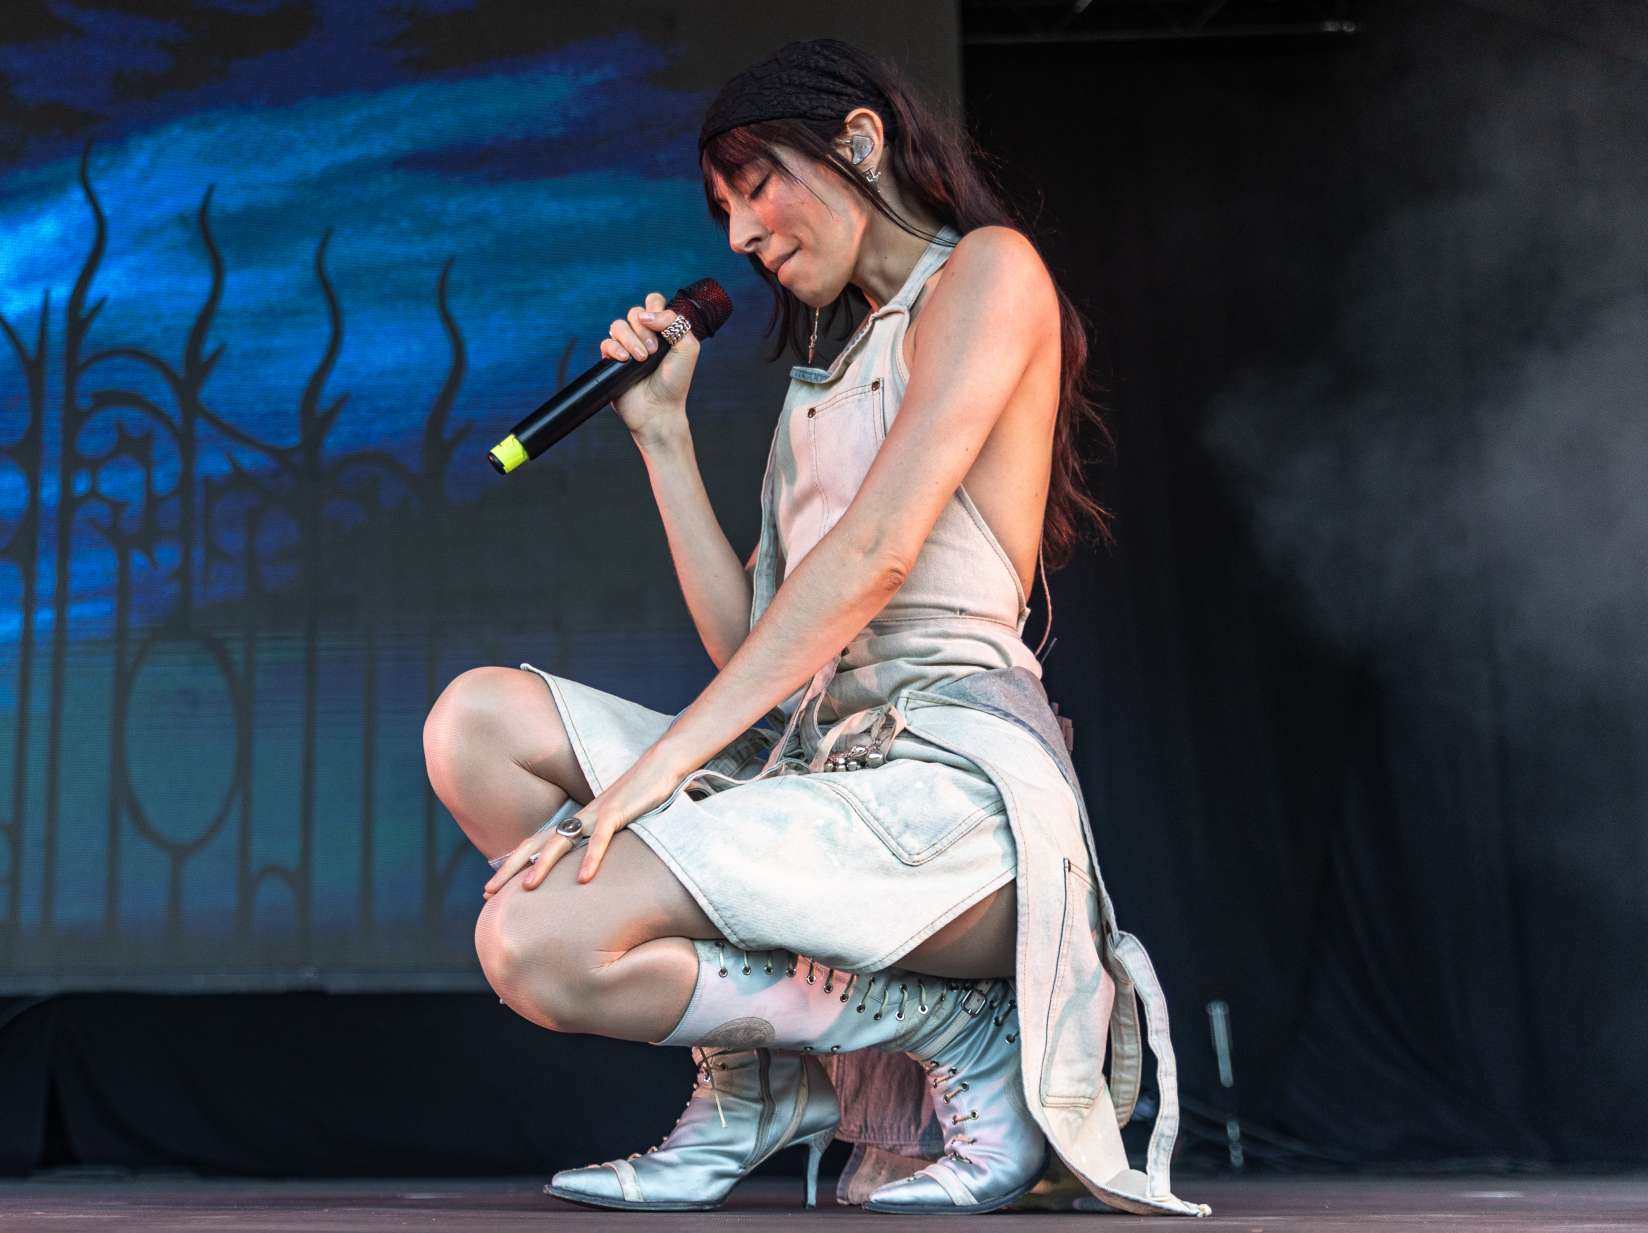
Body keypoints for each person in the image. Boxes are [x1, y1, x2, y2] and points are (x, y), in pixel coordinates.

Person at [420, 38, 1207, 1218]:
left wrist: (658, 770)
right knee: (475, 725)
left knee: (535, 943)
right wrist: (662, 436)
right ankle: (758, 1077)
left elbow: (874, 555)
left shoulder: (987, 273)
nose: (741, 235)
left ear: (859, 143)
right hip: (820, 767)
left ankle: (960, 1027)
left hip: (948, 791)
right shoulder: (827, 378)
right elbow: (755, 650)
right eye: (724, 212)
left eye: (756, 188)